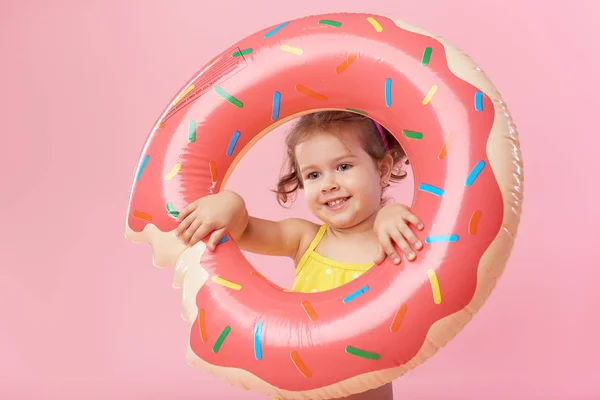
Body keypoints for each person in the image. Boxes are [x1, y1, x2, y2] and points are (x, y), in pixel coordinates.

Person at [175, 111, 425, 400]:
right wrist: (230, 202)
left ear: (382, 170)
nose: (328, 184)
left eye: (343, 166)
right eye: (313, 174)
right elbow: (242, 230)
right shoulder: (304, 238)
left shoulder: (394, 235)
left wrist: (393, 215)